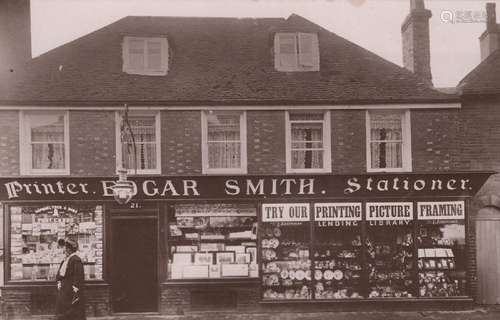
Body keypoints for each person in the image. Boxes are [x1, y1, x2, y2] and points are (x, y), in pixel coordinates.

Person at [55, 238, 86, 320]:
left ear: (69, 249)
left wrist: (76, 292)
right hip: (64, 291)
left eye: (65, 247)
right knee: (63, 312)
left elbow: (78, 278)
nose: (64, 249)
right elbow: (59, 274)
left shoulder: (76, 260)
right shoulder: (65, 260)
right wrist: (59, 281)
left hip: (70, 292)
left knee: (72, 313)